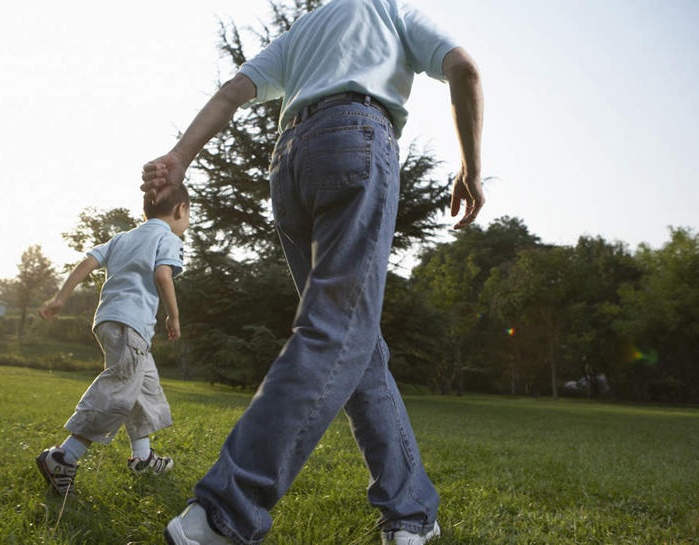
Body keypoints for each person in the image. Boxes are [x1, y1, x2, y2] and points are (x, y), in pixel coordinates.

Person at [142, 0, 483, 543]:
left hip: (291, 162)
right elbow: (463, 68)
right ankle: (223, 512)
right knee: (336, 332)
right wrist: (470, 166)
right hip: (358, 139)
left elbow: (233, 91)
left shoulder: (305, 28)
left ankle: (409, 514)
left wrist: (180, 157)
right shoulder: (390, 12)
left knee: (355, 343)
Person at [35, 182, 190, 496]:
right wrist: (173, 316)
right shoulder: (168, 238)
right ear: (180, 210)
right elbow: (163, 275)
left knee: (144, 388)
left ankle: (143, 457)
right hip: (131, 325)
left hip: (109, 322)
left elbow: (88, 263)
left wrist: (60, 298)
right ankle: (64, 457)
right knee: (119, 388)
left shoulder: (123, 237)